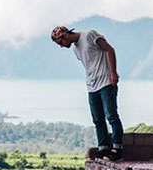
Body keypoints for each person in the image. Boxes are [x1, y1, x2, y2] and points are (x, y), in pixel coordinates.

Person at [51, 26, 124, 161]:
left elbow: (110, 49)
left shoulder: (90, 35)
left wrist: (113, 72)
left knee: (111, 115)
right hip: (92, 86)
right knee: (97, 119)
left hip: (106, 82)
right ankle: (103, 148)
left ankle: (117, 148)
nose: (61, 46)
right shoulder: (75, 48)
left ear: (65, 36)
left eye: (60, 43)